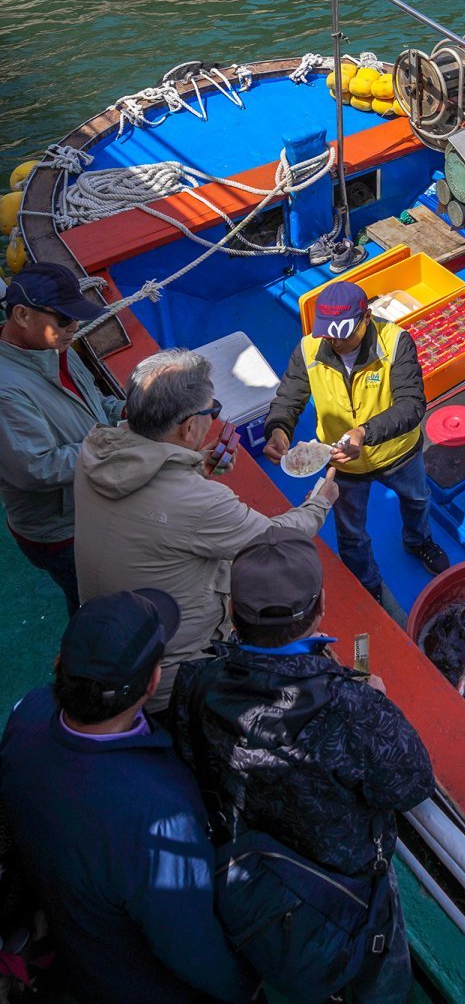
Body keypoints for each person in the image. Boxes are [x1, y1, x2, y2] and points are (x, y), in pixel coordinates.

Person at [171, 536, 435, 1003]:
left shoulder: (195, 680)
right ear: (321, 609)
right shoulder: (352, 708)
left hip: (251, 871)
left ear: (233, 611)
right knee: (380, 986)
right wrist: (372, 700)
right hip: (350, 893)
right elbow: (412, 784)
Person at [0, 588, 252, 1004]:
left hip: (72, 943)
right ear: (152, 682)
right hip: (137, 982)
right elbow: (192, 948)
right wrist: (246, 987)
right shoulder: (156, 813)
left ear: (60, 664)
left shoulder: (26, 715)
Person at [74, 347, 336, 709]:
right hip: (170, 677)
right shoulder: (201, 504)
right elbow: (274, 541)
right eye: (213, 411)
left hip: (108, 643)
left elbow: (149, 497)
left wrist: (191, 465)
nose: (215, 417)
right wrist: (320, 501)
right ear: (189, 426)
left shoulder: (95, 451)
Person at [263, 279, 449, 590]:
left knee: (417, 499)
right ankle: (367, 582)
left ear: (366, 317)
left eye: (345, 334)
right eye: (330, 335)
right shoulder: (308, 348)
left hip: (397, 453)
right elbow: (289, 397)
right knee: (350, 532)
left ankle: (418, 541)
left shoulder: (396, 342)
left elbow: (412, 404)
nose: (337, 342)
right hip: (342, 462)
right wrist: (279, 429)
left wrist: (364, 432)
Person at [0, 263, 122, 612]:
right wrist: (118, 440)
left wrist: (134, 412)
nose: (75, 327)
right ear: (22, 315)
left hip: (84, 508)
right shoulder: (6, 390)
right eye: (65, 319)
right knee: (96, 608)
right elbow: (35, 468)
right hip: (62, 530)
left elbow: (96, 405)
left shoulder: (55, 349)